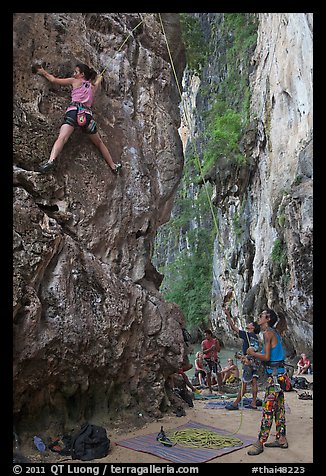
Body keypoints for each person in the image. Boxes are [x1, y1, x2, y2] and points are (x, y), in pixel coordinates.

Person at [34, 63, 122, 174]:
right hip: (87, 116)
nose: (74, 74)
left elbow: (53, 80)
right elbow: (98, 80)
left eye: (76, 72)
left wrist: (42, 71)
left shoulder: (74, 81)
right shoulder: (92, 87)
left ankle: (51, 161)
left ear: (82, 74)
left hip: (73, 112)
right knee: (99, 143)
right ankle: (113, 166)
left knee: (62, 138)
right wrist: (100, 77)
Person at [246, 309, 288, 456]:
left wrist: (252, 353)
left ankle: (260, 442)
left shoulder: (267, 333)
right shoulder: (273, 331)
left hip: (275, 378)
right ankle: (281, 438)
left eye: (261, 316)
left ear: (268, 318)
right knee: (279, 408)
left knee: (268, 409)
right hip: (281, 376)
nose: (258, 317)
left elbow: (266, 356)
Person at [223, 307, 260, 410]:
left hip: (248, 361)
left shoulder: (246, 334)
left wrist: (228, 315)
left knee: (244, 382)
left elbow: (233, 327)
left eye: (250, 324)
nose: (248, 324)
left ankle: (235, 403)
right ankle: (253, 403)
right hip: (255, 361)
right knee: (254, 381)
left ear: (252, 327)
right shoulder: (256, 337)